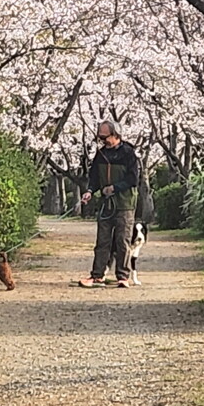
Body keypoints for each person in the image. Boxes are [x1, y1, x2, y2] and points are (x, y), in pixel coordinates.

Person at [77, 118, 140, 288]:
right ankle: (97, 276)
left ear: (116, 135)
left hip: (125, 203)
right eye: (100, 138)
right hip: (106, 204)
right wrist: (90, 191)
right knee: (102, 241)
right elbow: (94, 177)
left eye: (105, 137)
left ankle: (123, 276)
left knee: (122, 241)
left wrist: (115, 188)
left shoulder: (128, 153)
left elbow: (133, 178)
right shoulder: (101, 154)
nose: (102, 141)